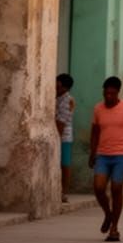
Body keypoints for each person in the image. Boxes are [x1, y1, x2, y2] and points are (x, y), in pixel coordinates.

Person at [89, 76, 123, 242]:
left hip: (121, 154)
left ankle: (114, 228)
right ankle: (108, 214)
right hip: (103, 155)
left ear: (118, 93)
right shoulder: (98, 109)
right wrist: (92, 152)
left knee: (116, 188)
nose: (109, 97)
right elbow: (95, 132)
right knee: (98, 188)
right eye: (106, 94)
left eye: (112, 93)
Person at [55, 73, 75, 203]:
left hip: (64, 137)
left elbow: (61, 123)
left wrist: (56, 138)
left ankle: (64, 192)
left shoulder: (67, 100)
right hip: (59, 135)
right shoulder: (58, 97)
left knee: (65, 164)